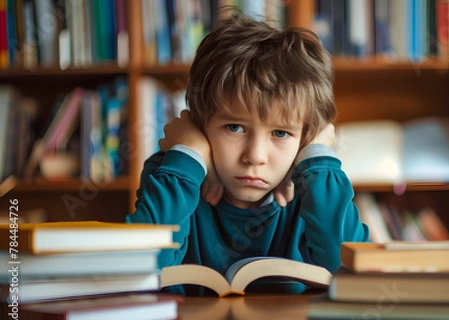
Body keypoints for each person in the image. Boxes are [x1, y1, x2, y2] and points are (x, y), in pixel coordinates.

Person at [125, 13, 370, 291]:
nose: (255, 156)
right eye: (234, 127)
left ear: (305, 139)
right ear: (200, 124)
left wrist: (316, 157)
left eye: (280, 133)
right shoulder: (173, 173)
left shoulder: (315, 187)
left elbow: (353, 276)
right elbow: (138, 272)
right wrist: (188, 156)